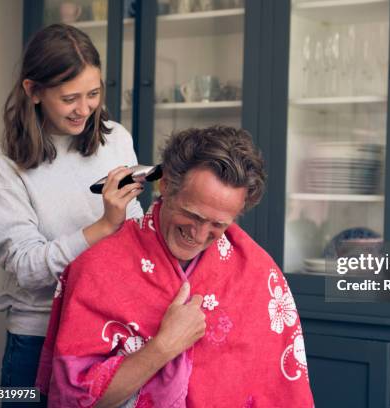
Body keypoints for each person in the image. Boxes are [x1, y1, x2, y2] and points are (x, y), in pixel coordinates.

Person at [36, 126, 315, 407]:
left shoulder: (258, 275)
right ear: (166, 185)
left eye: (218, 224)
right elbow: (73, 400)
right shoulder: (97, 268)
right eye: (191, 215)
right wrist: (164, 346)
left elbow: (281, 393)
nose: (198, 233)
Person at [0, 23, 145, 399]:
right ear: (33, 91)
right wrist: (104, 226)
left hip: (108, 328)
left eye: (94, 94)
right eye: (70, 98)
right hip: (36, 338)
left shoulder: (116, 139)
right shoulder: (4, 165)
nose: (84, 109)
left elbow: (133, 231)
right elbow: (26, 267)